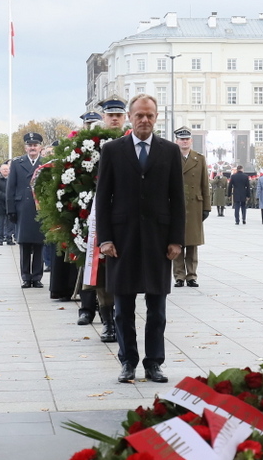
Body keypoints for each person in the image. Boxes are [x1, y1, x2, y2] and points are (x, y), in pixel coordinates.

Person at [94, 94, 185, 384]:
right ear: (130, 118)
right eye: (139, 115)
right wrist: (104, 238)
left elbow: (178, 199)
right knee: (123, 309)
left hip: (159, 241)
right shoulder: (112, 150)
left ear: (156, 117)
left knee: (157, 308)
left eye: (149, 115)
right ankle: (128, 362)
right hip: (122, 240)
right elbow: (103, 198)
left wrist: (176, 240)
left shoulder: (169, 151)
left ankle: (154, 363)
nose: (144, 120)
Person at [78, 98, 128, 340]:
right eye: (111, 115)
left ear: (125, 117)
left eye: (119, 115)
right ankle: (107, 321)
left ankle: (123, 318)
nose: (115, 119)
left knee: (126, 273)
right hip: (97, 219)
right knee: (101, 272)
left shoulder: (134, 142)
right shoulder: (89, 146)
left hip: (127, 219)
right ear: (104, 117)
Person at [172, 127, 210, 288]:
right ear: (177, 141)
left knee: (192, 243)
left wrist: (206, 206)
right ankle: (179, 276)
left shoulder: (199, 158)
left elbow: (204, 184)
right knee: (177, 241)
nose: (184, 141)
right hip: (176, 204)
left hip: (194, 204)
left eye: (187, 139)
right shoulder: (171, 157)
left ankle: (191, 276)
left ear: (191, 141)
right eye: (181, 139)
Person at [7, 132, 46, 288]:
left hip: (40, 208)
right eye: (30, 145)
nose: (32, 148)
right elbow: (11, 188)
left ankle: (36, 276)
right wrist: (11, 209)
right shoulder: (17, 163)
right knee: (24, 244)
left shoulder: (45, 163)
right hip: (22, 207)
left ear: (40, 147)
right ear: (25, 147)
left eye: (35, 145)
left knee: (39, 243)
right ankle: (25, 276)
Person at [0, 161, 15, 245]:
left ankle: (9, 238)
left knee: (10, 223)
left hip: (10, 204)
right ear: (0, 170)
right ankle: (0, 238)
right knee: (0, 223)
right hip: (0, 204)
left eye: (7, 169)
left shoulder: (12, 179)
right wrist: (6, 196)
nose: (5, 171)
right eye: (4, 169)